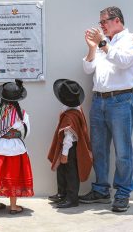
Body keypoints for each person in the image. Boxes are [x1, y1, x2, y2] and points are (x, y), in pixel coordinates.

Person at [79, 6, 133, 212]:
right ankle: (101, 189)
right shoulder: (100, 44)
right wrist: (91, 47)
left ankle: (123, 193)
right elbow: (88, 68)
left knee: (123, 150)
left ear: (117, 20)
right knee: (98, 148)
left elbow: (122, 62)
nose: (101, 26)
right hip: (99, 100)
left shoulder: (132, 39)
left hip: (122, 99)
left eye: (103, 22)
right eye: (100, 22)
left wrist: (102, 43)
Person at [0, 79, 34, 214]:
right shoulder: (22, 114)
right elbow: (26, 134)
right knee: (13, 175)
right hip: (14, 148)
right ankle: (13, 206)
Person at [47, 79, 92, 208]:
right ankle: (62, 193)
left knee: (70, 172)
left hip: (70, 149)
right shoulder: (76, 109)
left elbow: (69, 136)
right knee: (61, 170)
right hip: (68, 148)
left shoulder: (70, 116)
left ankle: (72, 198)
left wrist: (65, 153)